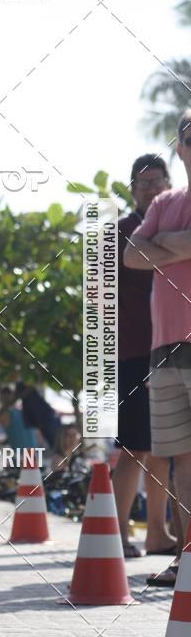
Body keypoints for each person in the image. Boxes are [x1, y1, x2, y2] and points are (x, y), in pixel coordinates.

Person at [124, 109, 191, 586]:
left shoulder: (159, 213)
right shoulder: (165, 203)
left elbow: (146, 250)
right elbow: (131, 254)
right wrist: (179, 241)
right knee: (171, 457)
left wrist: (161, 243)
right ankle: (182, 557)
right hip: (154, 350)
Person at [113, 154, 177, 559]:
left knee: (164, 449)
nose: (151, 188)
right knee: (133, 448)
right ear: (133, 190)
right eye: (143, 183)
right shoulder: (121, 232)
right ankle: (116, 532)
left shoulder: (176, 224)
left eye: (158, 181)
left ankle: (158, 532)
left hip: (172, 346)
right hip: (133, 352)